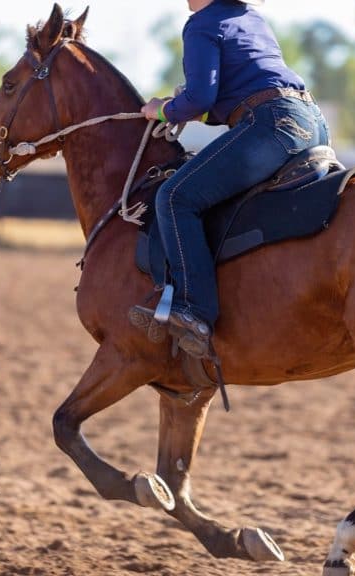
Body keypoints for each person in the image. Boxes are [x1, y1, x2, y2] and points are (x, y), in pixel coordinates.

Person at [133, 0, 331, 358]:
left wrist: (160, 109)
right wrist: (185, 107)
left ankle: (194, 312)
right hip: (311, 122)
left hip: (270, 123)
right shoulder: (249, 17)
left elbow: (201, 96)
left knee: (175, 196)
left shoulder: (201, 23)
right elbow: (226, 91)